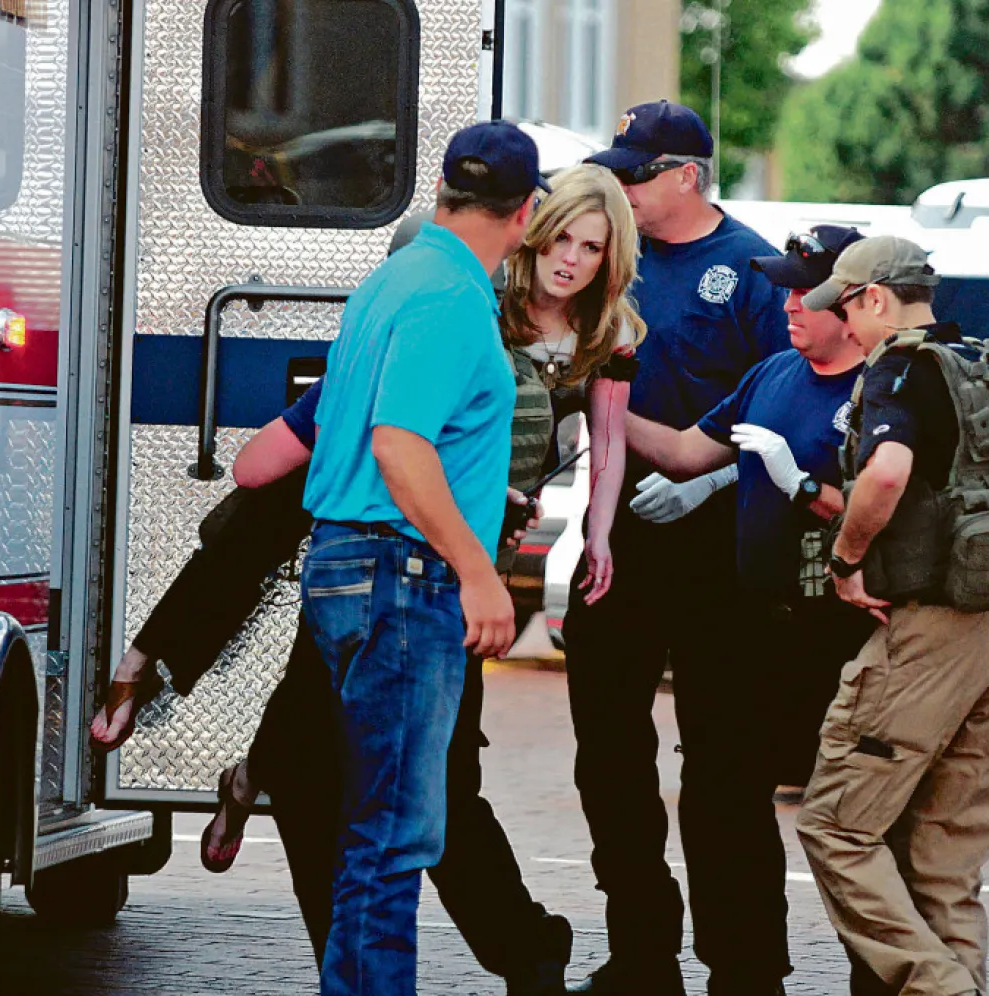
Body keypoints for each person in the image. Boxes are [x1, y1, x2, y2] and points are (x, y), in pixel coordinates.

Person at [301, 119, 544, 996]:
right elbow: (402, 446)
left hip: (345, 562)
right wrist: (479, 572)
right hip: (401, 578)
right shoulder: (449, 296)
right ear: (524, 215)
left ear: (444, 194)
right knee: (393, 833)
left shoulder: (394, 278)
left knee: (373, 825)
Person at [608, 226, 877, 993]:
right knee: (720, 797)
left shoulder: (884, 390)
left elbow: (887, 513)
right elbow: (689, 452)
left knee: (852, 820)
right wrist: (595, 396)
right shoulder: (773, 373)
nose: (787, 303)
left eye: (805, 292)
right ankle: (744, 968)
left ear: (855, 304)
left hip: (842, 636)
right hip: (750, 627)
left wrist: (802, 487)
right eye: (784, 288)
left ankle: (881, 974)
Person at [564, 100, 789, 994]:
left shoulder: (755, 271)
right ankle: (642, 953)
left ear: (687, 175)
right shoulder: (605, 262)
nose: (618, 186)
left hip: (723, 552)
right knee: (608, 754)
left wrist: (715, 476)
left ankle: (744, 965)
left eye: (635, 173)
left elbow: (791, 408)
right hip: (621, 544)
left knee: (727, 767)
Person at [795, 236, 989, 996]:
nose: (845, 323)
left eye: (846, 306)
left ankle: (938, 986)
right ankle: (955, 978)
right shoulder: (988, 360)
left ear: (874, 297)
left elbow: (888, 471)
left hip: (932, 628)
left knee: (836, 825)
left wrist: (844, 556)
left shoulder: (901, 369)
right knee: (945, 854)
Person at [499, 163, 645, 602]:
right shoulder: (491, 295)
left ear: (608, 257)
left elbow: (607, 439)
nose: (570, 258)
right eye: (561, 236)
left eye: (590, 247)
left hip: (513, 514)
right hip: (451, 489)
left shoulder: (609, 332)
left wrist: (598, 534)